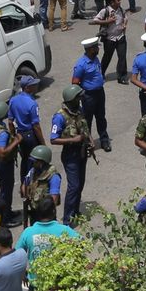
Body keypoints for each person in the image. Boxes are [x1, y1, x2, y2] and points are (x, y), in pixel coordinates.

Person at [16, 200, 82, 291]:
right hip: (56, 283)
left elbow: (17, 254)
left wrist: (23, 273)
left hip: (35, 282)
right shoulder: (63, 230)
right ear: (54, 211)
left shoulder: (29, 232)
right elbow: (81, 243)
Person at [51, 85, 95, 225]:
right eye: (78, 97)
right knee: (73, 186)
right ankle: (67, 220)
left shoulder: (78, 110)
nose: (81, 98)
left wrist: (91, 141)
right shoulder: (59, 117)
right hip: (70, 154)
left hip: (82, 152)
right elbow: (53, 139)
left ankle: (75, 212)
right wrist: (72, 140)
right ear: (72, 99)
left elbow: (85, 127)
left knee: (80, 184)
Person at [71, 37, 112, 151]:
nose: (98, 49)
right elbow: (75, 82)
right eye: (96, 48)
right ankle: (87, 143)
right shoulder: (81, 64)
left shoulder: (95, 59)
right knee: (87, 120)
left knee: (101, 118)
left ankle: (104, 140)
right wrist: (82, 95)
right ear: (90, 49)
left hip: (100, 93)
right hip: (88, 95)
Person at [93, 0, 130, 85]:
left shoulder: (121, 10)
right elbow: (94, 21)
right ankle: (101, 74)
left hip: (120, 37)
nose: (120, 1)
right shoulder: (105, 11)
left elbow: (125, 17)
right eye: (118, 0)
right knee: (107, 57)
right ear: (112, 2)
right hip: (110, 38)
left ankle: (122, 76)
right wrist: (107, 21)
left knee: (122, 57)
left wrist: (124, 24)